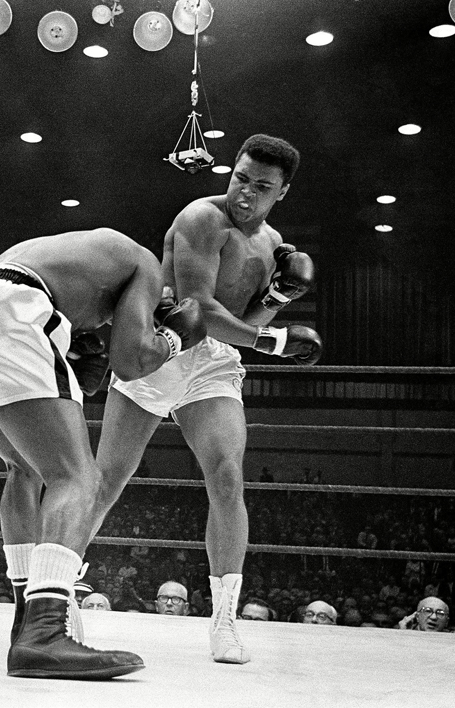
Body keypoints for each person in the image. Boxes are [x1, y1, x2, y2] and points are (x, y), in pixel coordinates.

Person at [0, 227, 207, 680]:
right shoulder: (147, 268)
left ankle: (26, 618)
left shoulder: (79, 256)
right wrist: (175, 339)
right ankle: (44, 632)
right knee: (78, 478)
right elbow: (131, 361)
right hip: (12, 311)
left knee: (24, 469)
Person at [92, 134, 321, 665]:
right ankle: (55, 598)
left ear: (281, 192)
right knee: (106, 482)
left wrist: (278, 301)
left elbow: (244, 322)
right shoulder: (201, 218)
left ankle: (224, 621)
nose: (245, 194)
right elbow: (200, 309)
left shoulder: (273, 243)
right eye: (241, 178)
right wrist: (275, 343)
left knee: (226, 474)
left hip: (214, 363)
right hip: (164, 346)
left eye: (261, 187)